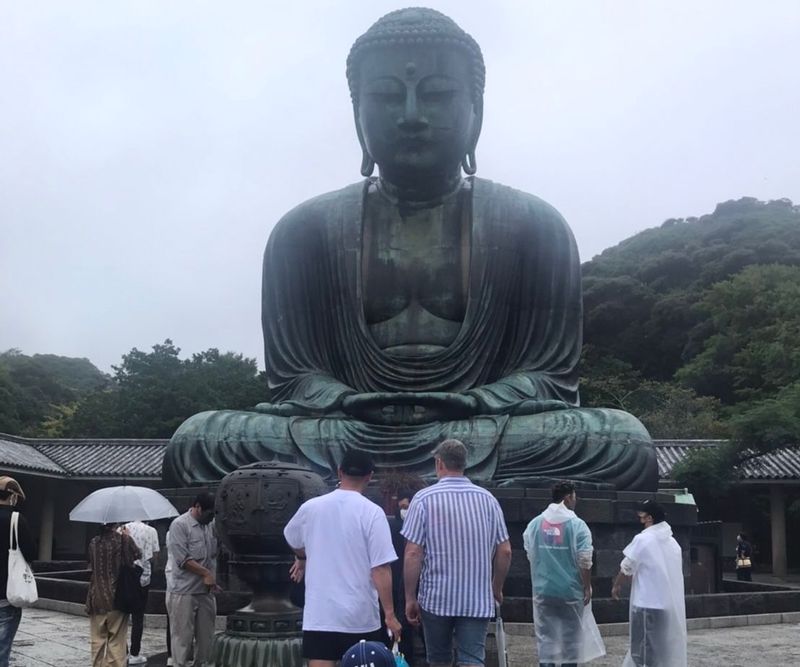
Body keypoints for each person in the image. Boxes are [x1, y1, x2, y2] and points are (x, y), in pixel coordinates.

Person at [163, 7, 657, 493]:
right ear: (357, 114)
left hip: (479, 428)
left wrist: (473, 401)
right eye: (385, 96)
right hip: (346, 430)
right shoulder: (304, 230)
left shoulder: (534, 225)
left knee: (619, 440)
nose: (412, 116)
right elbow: (294, 379)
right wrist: (348, 400)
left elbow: (549, 378)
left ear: (476, 111)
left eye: (438, 94)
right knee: (201, 437)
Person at [283, 450, 401, 667]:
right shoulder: (372, 512)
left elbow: (291, 537)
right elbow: (380, 569)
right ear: (370, 476)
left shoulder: (311, 508)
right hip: (360, 615)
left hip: (321, 613)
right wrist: (390, 614)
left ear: (339, 472)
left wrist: (301, 557)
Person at [402, 439, 512, 667]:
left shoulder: (423, 499)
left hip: (436, 597)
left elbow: (413, 553)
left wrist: (410, 597)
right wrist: (496, 587)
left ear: (439, 463)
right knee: (472, 661)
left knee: (439, 660)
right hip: (476, 597)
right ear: (465, 464)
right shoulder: (488, 500)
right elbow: (505, 550)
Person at [523, 481, 605, 667]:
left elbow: (530, 553)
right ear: (568, 497)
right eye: (575, 496)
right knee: (571, 641)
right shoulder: (578, 525)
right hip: (570, 591)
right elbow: (585, 560)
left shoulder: (535, 524)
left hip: (543, 590)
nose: (576, 500)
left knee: (546, 638)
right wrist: (586, 586)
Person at [612, 500, 687, 667]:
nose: (640, 521)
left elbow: (627, 566)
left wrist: (617, 585)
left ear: (650, 518)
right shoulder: (673, 543)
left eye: (642, 517)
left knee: (641, 650)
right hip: (665, 605)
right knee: (660, 648)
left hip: (645, 604)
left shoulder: (643, 539)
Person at [165, 492, 218, 667]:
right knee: (182, 638)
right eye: (209, 514)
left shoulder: (210, 525)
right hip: (184, 591)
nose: (211, 518)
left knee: (206, 638)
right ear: (198, 507)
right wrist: (206, 574)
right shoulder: (179, 525)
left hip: (206, 591)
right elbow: (183, 560)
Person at [86, 522, 141, 667]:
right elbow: (137, 555)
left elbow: (91, 563)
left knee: (97, 640)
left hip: (96, 596)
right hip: (117, 597)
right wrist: (127, 536)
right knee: (116, 640)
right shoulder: (123, 540)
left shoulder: (93, 542)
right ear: (116, 523)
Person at [0, 477, 36, 667]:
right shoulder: (16, 520)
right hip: (7, 591)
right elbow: (31, 552)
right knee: (2, 649)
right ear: (13, 497)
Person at [121, 520, 160, 664]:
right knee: (138, 617)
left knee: (122, 615)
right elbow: (155, 555)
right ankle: (134, 653)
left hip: (125, 577)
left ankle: (122, 651)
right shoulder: (151, 531)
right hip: (143, 578)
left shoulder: (122, 529)